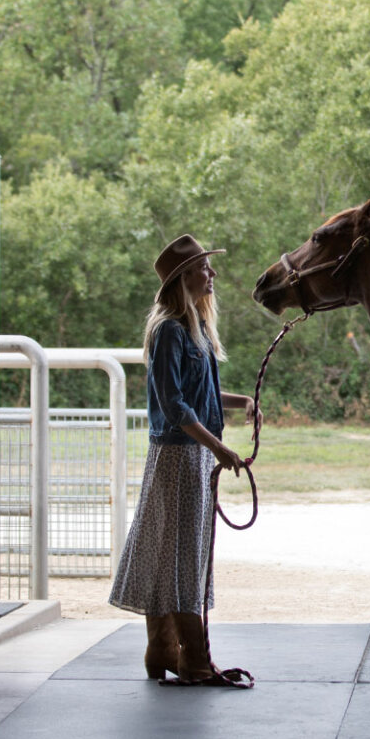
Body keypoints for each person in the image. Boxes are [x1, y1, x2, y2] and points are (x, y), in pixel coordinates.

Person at [108, 234, 256, 686]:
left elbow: (202, 395)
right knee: (182, 554)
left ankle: (164, 652)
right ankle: (192, 658)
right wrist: (217, 446)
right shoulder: (171, 330)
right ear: (183, 277)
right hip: (179, 457)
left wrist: (241, 402)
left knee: (177, 551)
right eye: (203, 268)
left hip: (190, 455)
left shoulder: (195, 331)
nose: (211, 274)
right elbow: (174, 405)